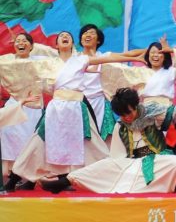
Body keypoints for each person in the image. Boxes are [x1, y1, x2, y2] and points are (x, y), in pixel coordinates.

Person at [6, 31, 125, 187]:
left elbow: (110, 58)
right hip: (56, 109)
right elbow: (23, 65)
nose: (64, 36)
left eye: (68, 36)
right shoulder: (50, 63)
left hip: (77, 108)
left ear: (72, 44)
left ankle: (111, 176)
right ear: (56, 45)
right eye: (61, 36)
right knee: (36, 142)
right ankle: (15, 179)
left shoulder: (80, 60)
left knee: (95, 146)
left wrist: (134, 57)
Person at [40, 87, 176, 194]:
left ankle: (167, 183)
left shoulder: (152, 115)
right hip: (131, 163)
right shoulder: (119, 127)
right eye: (122, 115)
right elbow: (117, 158)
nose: (127, 117)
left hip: (158, 160)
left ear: (135, 105)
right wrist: (121, 168)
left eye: (129, 112)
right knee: (104, 164)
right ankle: (64, 182)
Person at [0, 31, 55, 187]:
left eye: (25, 41)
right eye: (18, 41)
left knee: (30, 141)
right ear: (13, 45)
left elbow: (55, 59)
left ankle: (28, 178)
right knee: (10, 137)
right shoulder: (6, 62)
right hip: (15, 106)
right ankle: (10, 174)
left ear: (32, 46)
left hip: (34, 107)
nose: (21, 43)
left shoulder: (39, 62)